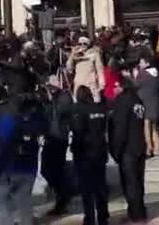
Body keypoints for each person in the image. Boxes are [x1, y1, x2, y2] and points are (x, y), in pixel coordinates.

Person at [0, 76, 47, 225]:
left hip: (8, 165)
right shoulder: (38, 109)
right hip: (29, 164)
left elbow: (2, 140)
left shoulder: (4, 111)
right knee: (24, 200)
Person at [110, 77, 147, 224]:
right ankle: (139, 211)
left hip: (128, 148)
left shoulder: (122, 102)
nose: (113, 89)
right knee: (138, 182)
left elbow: (120, 128)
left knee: (130, 184)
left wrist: (116, 150)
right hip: (139, 145)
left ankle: (136, 215)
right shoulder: (137, 100)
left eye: (115, 86)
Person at [70, 86, 110, 225]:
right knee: (100, 186)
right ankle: (103, 217)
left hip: (85, 154)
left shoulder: (78, 110)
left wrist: (75, 149)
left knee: (87, 189)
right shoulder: (100, 109)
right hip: (100, 151)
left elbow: (77, 131)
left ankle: (90, 219)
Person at [40, 76, 73, 216]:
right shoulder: (50, 99)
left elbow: (62, 112)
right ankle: (61, 194)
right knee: (46, 169)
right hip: (50, 137)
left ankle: (63, 198)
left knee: (57, 170)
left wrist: (52, 98)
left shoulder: (64, 96)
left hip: (59, 138)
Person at [135, 62, 159, 157]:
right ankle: (157, 148)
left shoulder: (143, 73)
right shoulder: (156, 73)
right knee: (155, 126)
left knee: (146, 125)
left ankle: (149, 147)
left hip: (145, 101)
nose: (140, 64)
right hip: (154, 101)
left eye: (141, 62)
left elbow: (136, 84)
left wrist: (131, 76)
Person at [67, 37, 105, 103]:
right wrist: (72, 55)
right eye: (80, 44)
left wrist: (101, 84)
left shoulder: (95, 54)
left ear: (88, 44)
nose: (82, 45)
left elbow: (100, 69)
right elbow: (69, 68)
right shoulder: (75, 55)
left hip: (91, 85)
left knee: (94, 106)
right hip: (78, 85)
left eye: (84, 43)